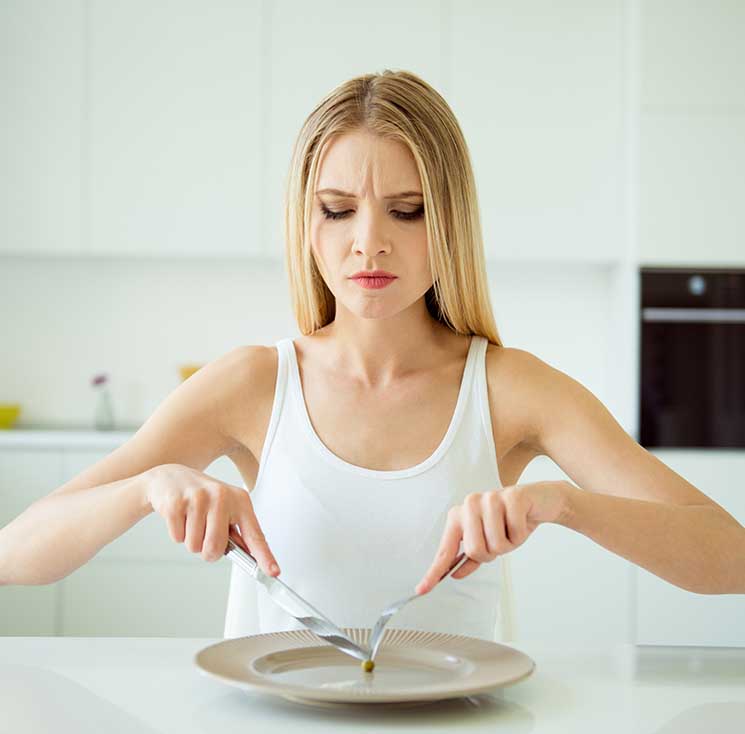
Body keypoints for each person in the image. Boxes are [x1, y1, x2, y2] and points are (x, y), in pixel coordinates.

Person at [1, 71, 743, 644]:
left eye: (407, 209)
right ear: (306, 220)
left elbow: (728, 554)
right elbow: (16, 553)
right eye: (336, 209)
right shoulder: (254, 383)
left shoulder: (511, 389)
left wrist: (563, 503)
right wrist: (148, 486)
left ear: (447, 217)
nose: (368, 242)